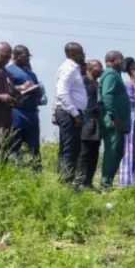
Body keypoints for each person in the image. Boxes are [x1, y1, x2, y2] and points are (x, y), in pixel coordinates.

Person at [54, 42, 88, 184]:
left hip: (71, 112)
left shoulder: (74, 68)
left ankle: (66, 180)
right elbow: (62, 93)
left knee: (71, 148)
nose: (83, 55)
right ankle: (65, 182)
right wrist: (75, 114)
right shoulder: (69, 68)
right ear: (72, 54)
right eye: (81, 52)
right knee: (69, 149)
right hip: (69, 113)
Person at [5, 45, 42, 169]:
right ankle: (14, 170)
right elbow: (5, 88)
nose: (27, 59)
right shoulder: (8, 70)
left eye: (28, 56)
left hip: (31, 113)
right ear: (15, 56)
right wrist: (21, 87)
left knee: (33, 146)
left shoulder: (31, 73)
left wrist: (37, 92)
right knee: (14, 145)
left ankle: (34, 173)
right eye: (24, 56)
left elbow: (38, 92)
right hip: (16, 112)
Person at [98, 51, 130, 189]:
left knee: (117, 151)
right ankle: (106, 183)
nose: (123, 62)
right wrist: (113, 116)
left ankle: (108, 181)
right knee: (112, 150)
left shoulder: (116, 74)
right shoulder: (111, 74)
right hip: (113, 121)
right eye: (121, 59)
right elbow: (107, 96)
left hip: (119, 120)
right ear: (114, 60)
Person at [75, 60, 103, 188]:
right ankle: (80, 180)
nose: (101, 69)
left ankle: (89, 181)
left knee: (94, 151)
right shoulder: (84, 81)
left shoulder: (97, 83)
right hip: (87, 118)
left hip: (96, 119)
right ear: (89, 68)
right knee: (84, 151)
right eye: (98, 66)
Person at [119, 58, 135, 186]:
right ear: (133, 72)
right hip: (131, 120)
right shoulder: (127, 85)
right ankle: (129, 179)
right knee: (130, 149)